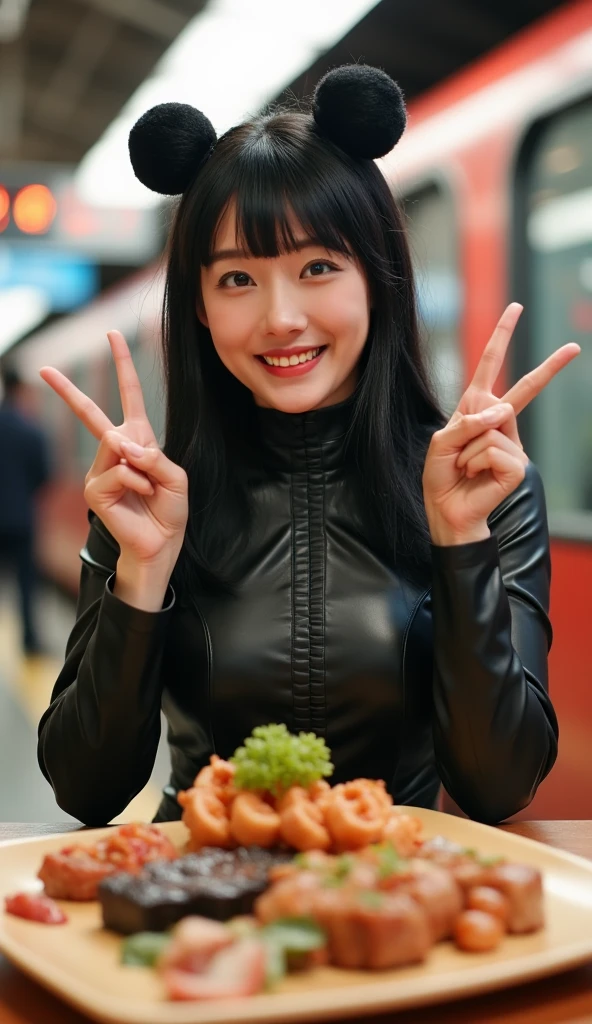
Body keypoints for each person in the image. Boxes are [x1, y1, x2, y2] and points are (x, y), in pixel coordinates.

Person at [36, 66, 579, 827]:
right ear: (199, 307)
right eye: (237, 279)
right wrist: (142, 571)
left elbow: (500, 787)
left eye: (318, 267)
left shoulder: (482, 486)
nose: (281, 318)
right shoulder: (146, 496)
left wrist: (461, 539)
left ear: (376, 279)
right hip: (201, 883)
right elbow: (85, 789)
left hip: (388, 881)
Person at [0, 366, 51, 655]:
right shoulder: (31, 431)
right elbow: (44, 476)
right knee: (26, 585)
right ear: (19, 390)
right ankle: (29, 641)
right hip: (21, 519)